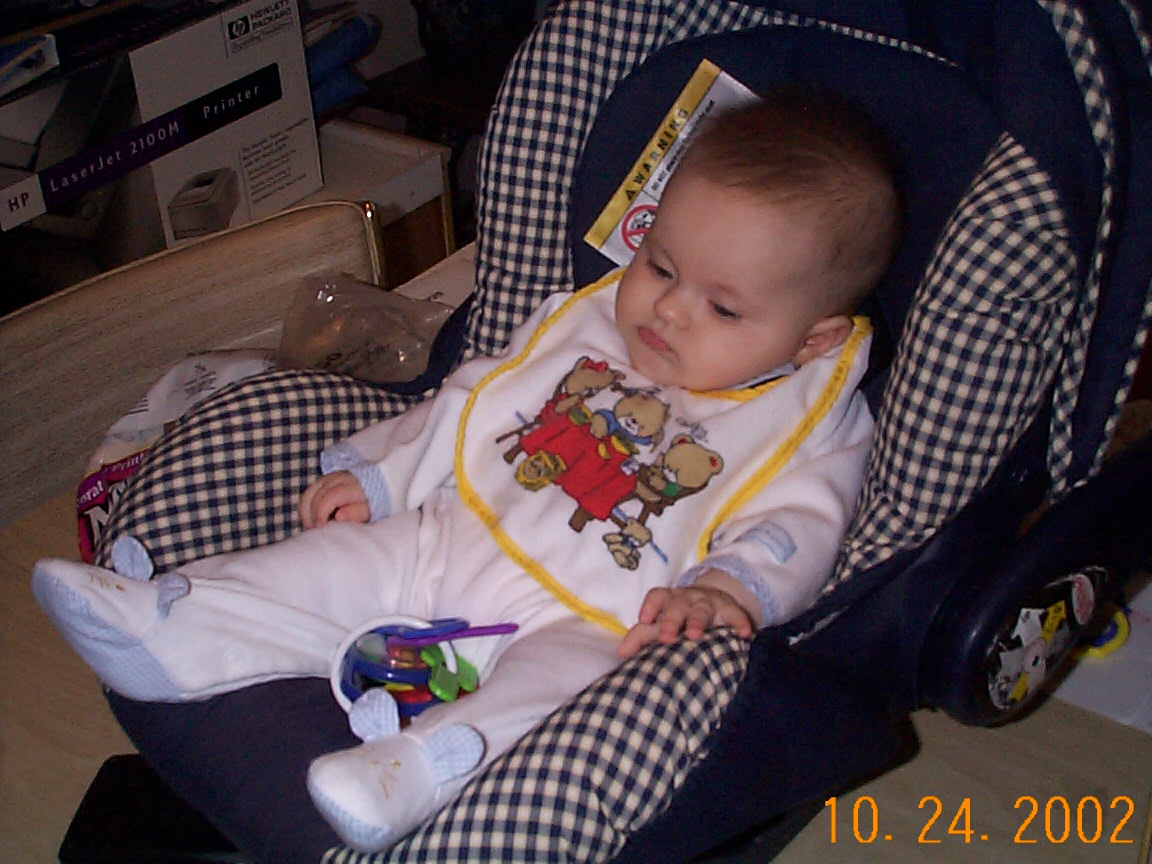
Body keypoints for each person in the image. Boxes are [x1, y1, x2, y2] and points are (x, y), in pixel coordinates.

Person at [33, 86, 901, 854]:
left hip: (588, 619)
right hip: (451, 536)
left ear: (814, 338)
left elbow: (802, 528)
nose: (668, 308)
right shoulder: (591, 327)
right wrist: (381, 476)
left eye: (721, 307)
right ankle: (176, 622)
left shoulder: (806, 425)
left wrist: (726, 589)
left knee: (555, 695)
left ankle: (412, 773)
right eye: (660, 266)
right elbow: (476, 400)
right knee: (330, 564)